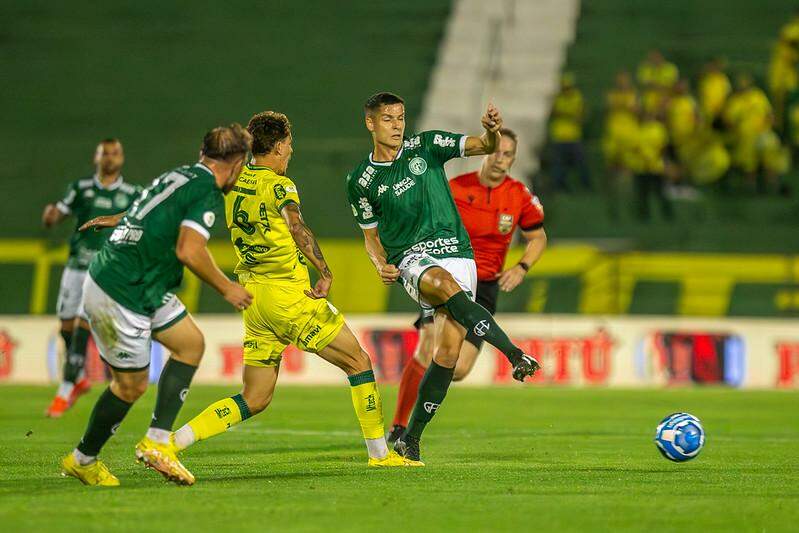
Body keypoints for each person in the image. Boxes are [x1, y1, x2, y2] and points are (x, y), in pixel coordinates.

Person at [170, 111, 417, 474]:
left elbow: (177, 206)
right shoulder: (278, 184)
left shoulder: (232, 180)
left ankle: (172, 442)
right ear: (282, 145)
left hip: (254, 299)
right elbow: (297, 227)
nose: (291, 152)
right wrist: (325, 271)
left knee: (254, 398)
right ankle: (380, 454)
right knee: (359, 363)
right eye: (290, 145)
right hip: (288, 295)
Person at [346, 92, 541, 463]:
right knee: (442, 286)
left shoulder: (427, 145)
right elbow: (371, 237)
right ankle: (515, 354)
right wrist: (378, 263)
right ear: (370, 123)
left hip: (459, 253)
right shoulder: (361, 180)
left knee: (448, 354)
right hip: (412, 258)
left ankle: (410, 439)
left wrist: (492, 133)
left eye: (401, 117)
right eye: (387, 119)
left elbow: (483, 145)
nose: (397, 125)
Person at [60, 124, 254, 486]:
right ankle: (83, 459)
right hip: (122, 289)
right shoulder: (208, 191)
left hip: (142, 281)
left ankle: (157, 441)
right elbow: (189, 250)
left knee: (190, 344)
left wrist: (117, 221)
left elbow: (145, 210)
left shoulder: (180, 174)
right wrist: (227, 287)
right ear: (237, 162)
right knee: (130, 387)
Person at [387, 128, 547, 441]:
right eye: (497, 151)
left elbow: (538, 237)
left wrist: (522, 266)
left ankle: (409, 428)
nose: (501, 158)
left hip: (484, 286)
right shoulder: (456, 188)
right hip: (446, 276)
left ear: (514, 158)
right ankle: (400, 426)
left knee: (458, 368)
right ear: (487, 151)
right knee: (429, 347)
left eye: (509, 154)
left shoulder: (519, 195)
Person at [42, 139, 141, 418]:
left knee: (83, 322)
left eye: (115, 153)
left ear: (122, 158)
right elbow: (58, 214)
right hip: (76, 265)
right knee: (66, 326)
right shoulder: (80, 189)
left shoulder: (133, 193)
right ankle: (81, 377)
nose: (110, 157)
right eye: (105, 153)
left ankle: (64, 389)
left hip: (106, 269)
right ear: (96, 157)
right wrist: (51, 217)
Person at [549, 72, 591, 191]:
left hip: (574, 136)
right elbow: (554, 112)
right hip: (559, 136)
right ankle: (559, 187)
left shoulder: (578, 97)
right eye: (565, 88)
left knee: (581, 163)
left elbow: (582, 115)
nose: (566, 90)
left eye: (568, 88)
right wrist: (569, 114)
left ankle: (586, 186)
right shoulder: (557, 98)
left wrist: (566, 114)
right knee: (558, 165)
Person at [631, 110, 673, 221]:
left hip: (656, 167)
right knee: (642, 194)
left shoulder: (659, 129)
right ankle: (643, 216)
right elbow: (635, 147)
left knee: (660, 193)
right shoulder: (638, 129)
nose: (647, 118)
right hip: (641, 167)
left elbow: (664, 146)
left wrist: (657, 159)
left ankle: (667, 214)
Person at [637, 50, 679, 115]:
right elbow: (643, 86)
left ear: (661, 57)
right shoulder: (645, 69)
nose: (654, 60)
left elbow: (673, 86)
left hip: (666, 101)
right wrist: (662, 85)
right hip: (649, 102)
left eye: (656, 57)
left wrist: (654, 84)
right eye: (652, 58)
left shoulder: (670, 68)